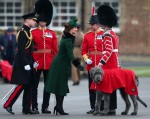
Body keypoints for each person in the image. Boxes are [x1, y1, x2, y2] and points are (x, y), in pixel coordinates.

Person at [45, 19, 84, 115]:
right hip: (60, 64)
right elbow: (70, 55)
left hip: (61, 63)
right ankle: (59, 107)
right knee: (61, 86)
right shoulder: (67, 40)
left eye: (76, 28)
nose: (76, 29)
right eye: (74, 28)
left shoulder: (68, 37)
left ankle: (58, 106)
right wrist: (78, 64)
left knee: (61, 85)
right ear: (70, 29)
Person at [3, 12, 38, 115]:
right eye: (33, 20)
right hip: (23, 62)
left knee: (30, 85)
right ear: (27, 20)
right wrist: (26, 63)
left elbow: (30, 49)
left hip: (28, 61)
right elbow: (21, 50)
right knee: (21, 84)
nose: (34, 22)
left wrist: (33, 62)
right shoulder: (22, 32)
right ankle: (8, 104)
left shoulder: (28, 32)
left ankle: (26, 108)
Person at [31, 0, 57, 114]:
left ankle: (45, 107)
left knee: (48, 86)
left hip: (49, 62)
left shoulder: (52, 33)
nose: (43, 22)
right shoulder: (33, 33)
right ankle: (34, 106)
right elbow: (30, 48)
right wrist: (32, 61)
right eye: (41, 21)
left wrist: (55, 63)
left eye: (45, 21)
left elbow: (55, 50)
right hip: (37, 61)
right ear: (38, 21)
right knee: (34, 85)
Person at [95, 5, 121, 115]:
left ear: (103, 23)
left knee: (105, 86)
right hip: (114, 62)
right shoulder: (114, 34)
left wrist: (101, 63)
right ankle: (112, 108)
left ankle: (108, 108)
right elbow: (116, 51)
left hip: (108, 64)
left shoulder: (106, 34)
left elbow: (109, 50)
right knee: (112, 87)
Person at [81, 15, 104, 114]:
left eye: (92, 24)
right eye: (90, 24)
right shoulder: (87, 35)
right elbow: (83, 51)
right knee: (91, 87)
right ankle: (93, 107)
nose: (91, 26)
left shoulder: (104, 34)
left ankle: (102, 107)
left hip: (101, 64)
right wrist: (86, 60)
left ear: (98, 24)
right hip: (91, 65)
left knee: (102, 87)